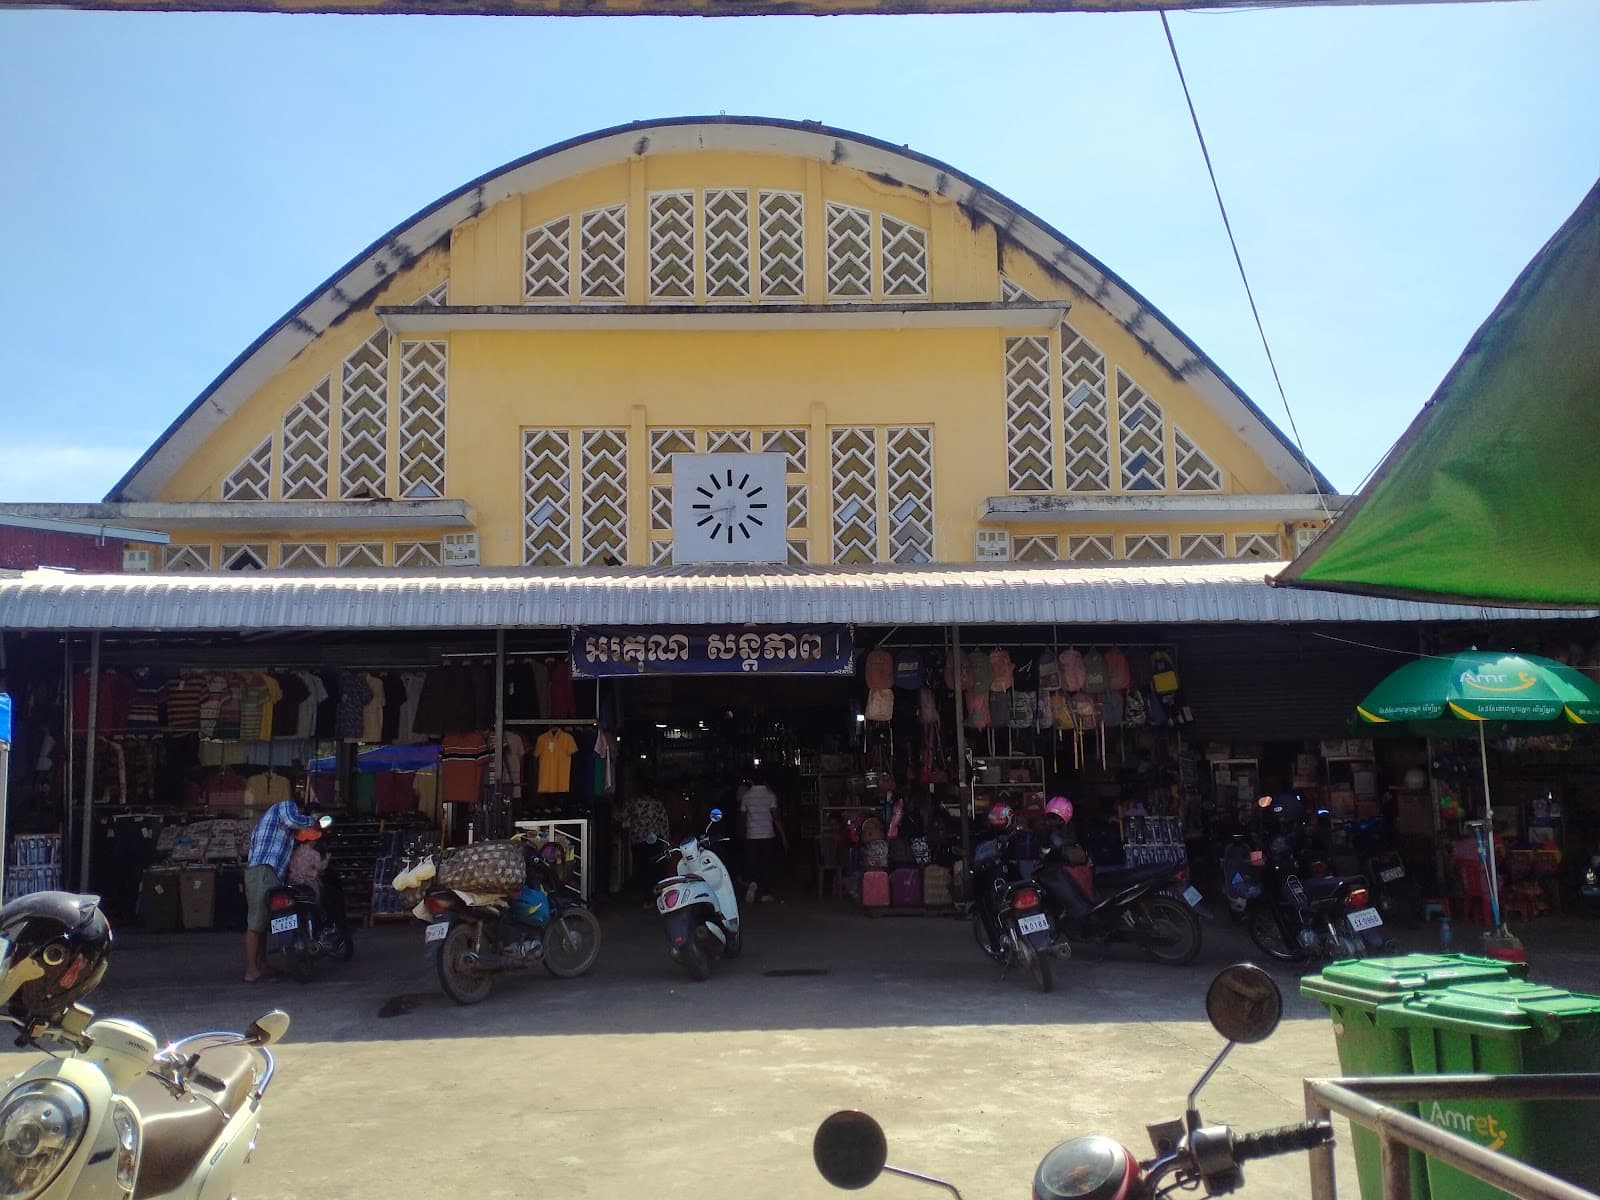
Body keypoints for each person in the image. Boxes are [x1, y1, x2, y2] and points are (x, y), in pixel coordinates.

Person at [243, 791, 314, 982]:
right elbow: (293, 820)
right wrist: (312, 819)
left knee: (265, 922)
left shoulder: (274, 822)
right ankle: (251, 969)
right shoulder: (285, 806)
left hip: (270, 872)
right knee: (256, 922)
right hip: (263, 870)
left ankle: (262, 963)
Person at [738, 772, 786, 904]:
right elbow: (776, 817)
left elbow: (742, 818)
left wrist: (743, 833)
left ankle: (753, 883)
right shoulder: (770, 795)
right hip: (767, 834)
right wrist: (783, 835)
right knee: (766, 864)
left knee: (753, 863)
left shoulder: (746, 796)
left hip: (751, 835)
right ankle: (765, 892)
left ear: (751, 782)